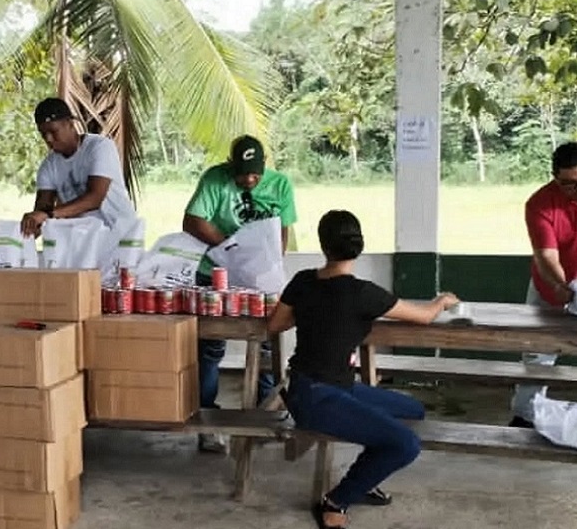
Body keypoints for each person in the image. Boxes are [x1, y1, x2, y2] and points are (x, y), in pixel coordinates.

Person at [268, 210, 458, 529]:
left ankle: (365, 476)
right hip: (314, 397)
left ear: (323, 245)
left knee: (412, 411)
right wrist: (441, 301)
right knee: (405, 444)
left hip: (333, 386)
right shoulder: (364, 293)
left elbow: (276, 324)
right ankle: (335, 501)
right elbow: (424, 316)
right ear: (359, 245)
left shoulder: (303, 281)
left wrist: (312, 312)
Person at [182, 134, 296, 453]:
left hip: (260, 276)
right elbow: (192, 220)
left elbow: (282, 233)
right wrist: (228, 246)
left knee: (264, 345)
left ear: (264, 167)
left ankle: (265, 416)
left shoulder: (281, 185)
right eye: (243, 173)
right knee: (209, 347)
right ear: (231, 166)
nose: (249, 179)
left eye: (255, 173)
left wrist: (269, 264)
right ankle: (205, 420)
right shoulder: (214, 180)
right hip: (216, 273)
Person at [510, 142, 577, 428]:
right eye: (569, 184)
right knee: (538, 352)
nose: (576, 190)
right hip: (551, 288)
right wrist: (566, 290)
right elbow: (547, 257)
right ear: (554, 176)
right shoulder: (540, 203)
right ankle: (525, 414)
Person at [20, 97, 136, 237]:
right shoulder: (48, 167)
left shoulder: (100, 147)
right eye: (43, 134)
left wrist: (49, 215)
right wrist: (33, 224)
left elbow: (94, 198)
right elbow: (42, 209)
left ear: (70, 124)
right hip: (82, 241)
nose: (48, 139)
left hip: (118, 236)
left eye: (53, 131)